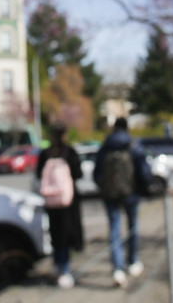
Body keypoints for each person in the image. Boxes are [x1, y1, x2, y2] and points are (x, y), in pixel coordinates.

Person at [93, 117, 152, 288]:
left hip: (110, 194)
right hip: (131, 194)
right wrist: (142, 189)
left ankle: (117, 268)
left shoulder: (105, 146)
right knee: (133, 226)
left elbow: (97, 173)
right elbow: (143, 171)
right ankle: (133, 262)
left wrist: (104, 187)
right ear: (127, 128)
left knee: (114, 229)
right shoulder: (133, 145)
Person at [35, 121, 84, 288]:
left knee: (55, 235)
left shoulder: (45, 154)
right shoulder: (69, 152)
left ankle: (57, 265)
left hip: (51, 201)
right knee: (66, 236)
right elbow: (78, 173)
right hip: (68, 202)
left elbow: (38, 175)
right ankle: (65, 270)